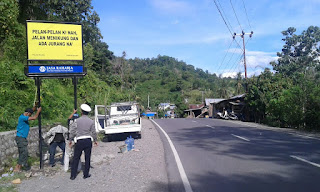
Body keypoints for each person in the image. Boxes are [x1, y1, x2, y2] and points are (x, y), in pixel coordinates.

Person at [69, 104, 98, 180]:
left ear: (81, 112)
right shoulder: (91, 121)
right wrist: (95, 140)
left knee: (76, 157)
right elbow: (93, 132)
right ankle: (86, 174)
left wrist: (70, 139)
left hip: (79, 140)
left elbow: (72, 131)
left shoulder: (77, 121)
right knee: (87, 158)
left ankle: (73, 175)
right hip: (88, 140)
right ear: (88, 113)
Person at [14, 106, 42, 172]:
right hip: (21, 138)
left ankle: (18, 167)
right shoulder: (22, 117)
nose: (30, 116)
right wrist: (38, 111)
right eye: (29, 115)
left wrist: (34, 108)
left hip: (21, 138)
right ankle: (18, 167)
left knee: (22, 153)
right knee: (24, 153)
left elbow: (31, 111)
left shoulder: (23, 116)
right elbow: (34, 118)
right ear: (27, 113)